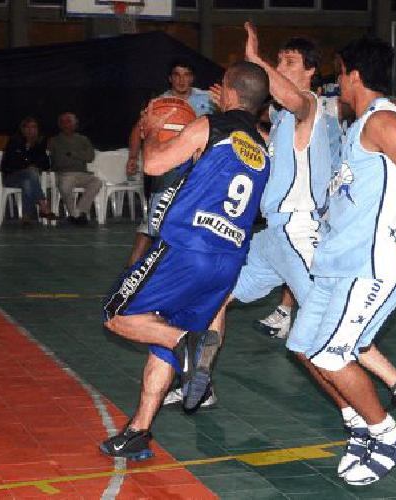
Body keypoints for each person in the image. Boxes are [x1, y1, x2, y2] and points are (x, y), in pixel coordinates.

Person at [252, 35, 396, 486]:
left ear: (352, 74)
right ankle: (359, 425)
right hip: (339, 261)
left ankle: (389, 433)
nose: (337, 81)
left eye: (338, 72)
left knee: (333, 356)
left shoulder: (381, 120)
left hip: (372, 265)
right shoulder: (361, 124)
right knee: (303, 346)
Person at [99, 61, 272, 461]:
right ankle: (140, 430)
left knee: (117, 315)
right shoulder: (263, 145)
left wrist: (151, 133)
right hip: (229, 259)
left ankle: (188, 346)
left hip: (186, 248)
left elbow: (154, 165)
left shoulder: (209, 126)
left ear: (227, 92)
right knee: (162, 332)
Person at [124, 59, 219, 265]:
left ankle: (185, 266)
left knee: (198, 220)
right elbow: (137, 130)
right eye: (176, 75)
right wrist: (133, 157)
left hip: (201, 170)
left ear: (192, 78)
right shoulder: (158, 104)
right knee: (153, 222)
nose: (181, 80)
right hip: (169, 167)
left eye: (186, 75)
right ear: (170, 78)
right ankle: (131, 269)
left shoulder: (209, 99)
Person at [0, 117, 57, 225]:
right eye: (28, 127)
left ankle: (26, 217)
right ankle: (43, 205)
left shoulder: (39, 144)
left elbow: (46, 164)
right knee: (31, 172)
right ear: (23, 129)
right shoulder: (15, 141)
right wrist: (27, 159)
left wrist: (34, 163)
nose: (31, 130)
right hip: (11, 177)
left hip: (29, 178)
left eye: (34, 127)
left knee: (28, 182)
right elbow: (11, 164)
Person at [48, 112, 102, 225]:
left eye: (68, 121)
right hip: (64, 173)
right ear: (59, 125)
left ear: (75, 124)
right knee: (65, 185)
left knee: (97, 182)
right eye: (63, 122)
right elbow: (59, 160)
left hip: (83, 173)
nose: (65, 125)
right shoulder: (54, 141)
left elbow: (90, 157)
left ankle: (79, 212)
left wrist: (72, 153)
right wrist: (80, 155)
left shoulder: (83, 139)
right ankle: (76, 215)